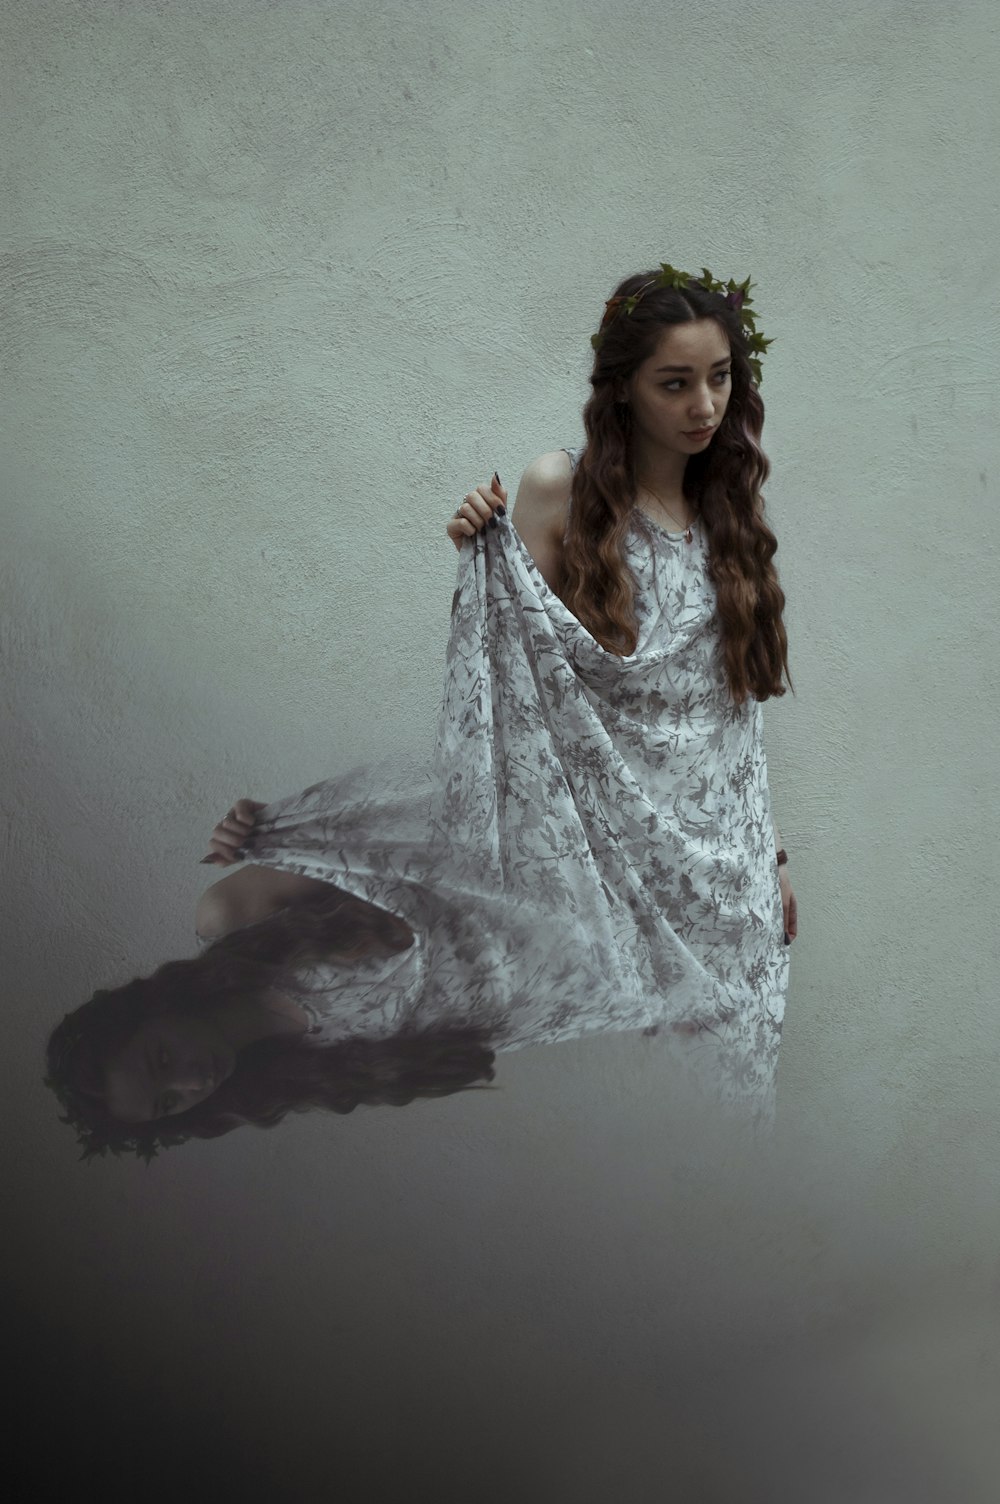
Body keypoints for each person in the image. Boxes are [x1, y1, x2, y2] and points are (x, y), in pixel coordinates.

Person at [44, 262, 797, 1164]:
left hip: (726, 882)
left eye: (719, 378)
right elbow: (512, 697)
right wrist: (486, 554)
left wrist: (769, 853)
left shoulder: (730, 512)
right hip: (607, 879)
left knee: (739, 1103)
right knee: (677, 1132)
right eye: (674, 382)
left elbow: (728, 721)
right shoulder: (563, 489)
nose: (702, 405)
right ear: (622, 391)